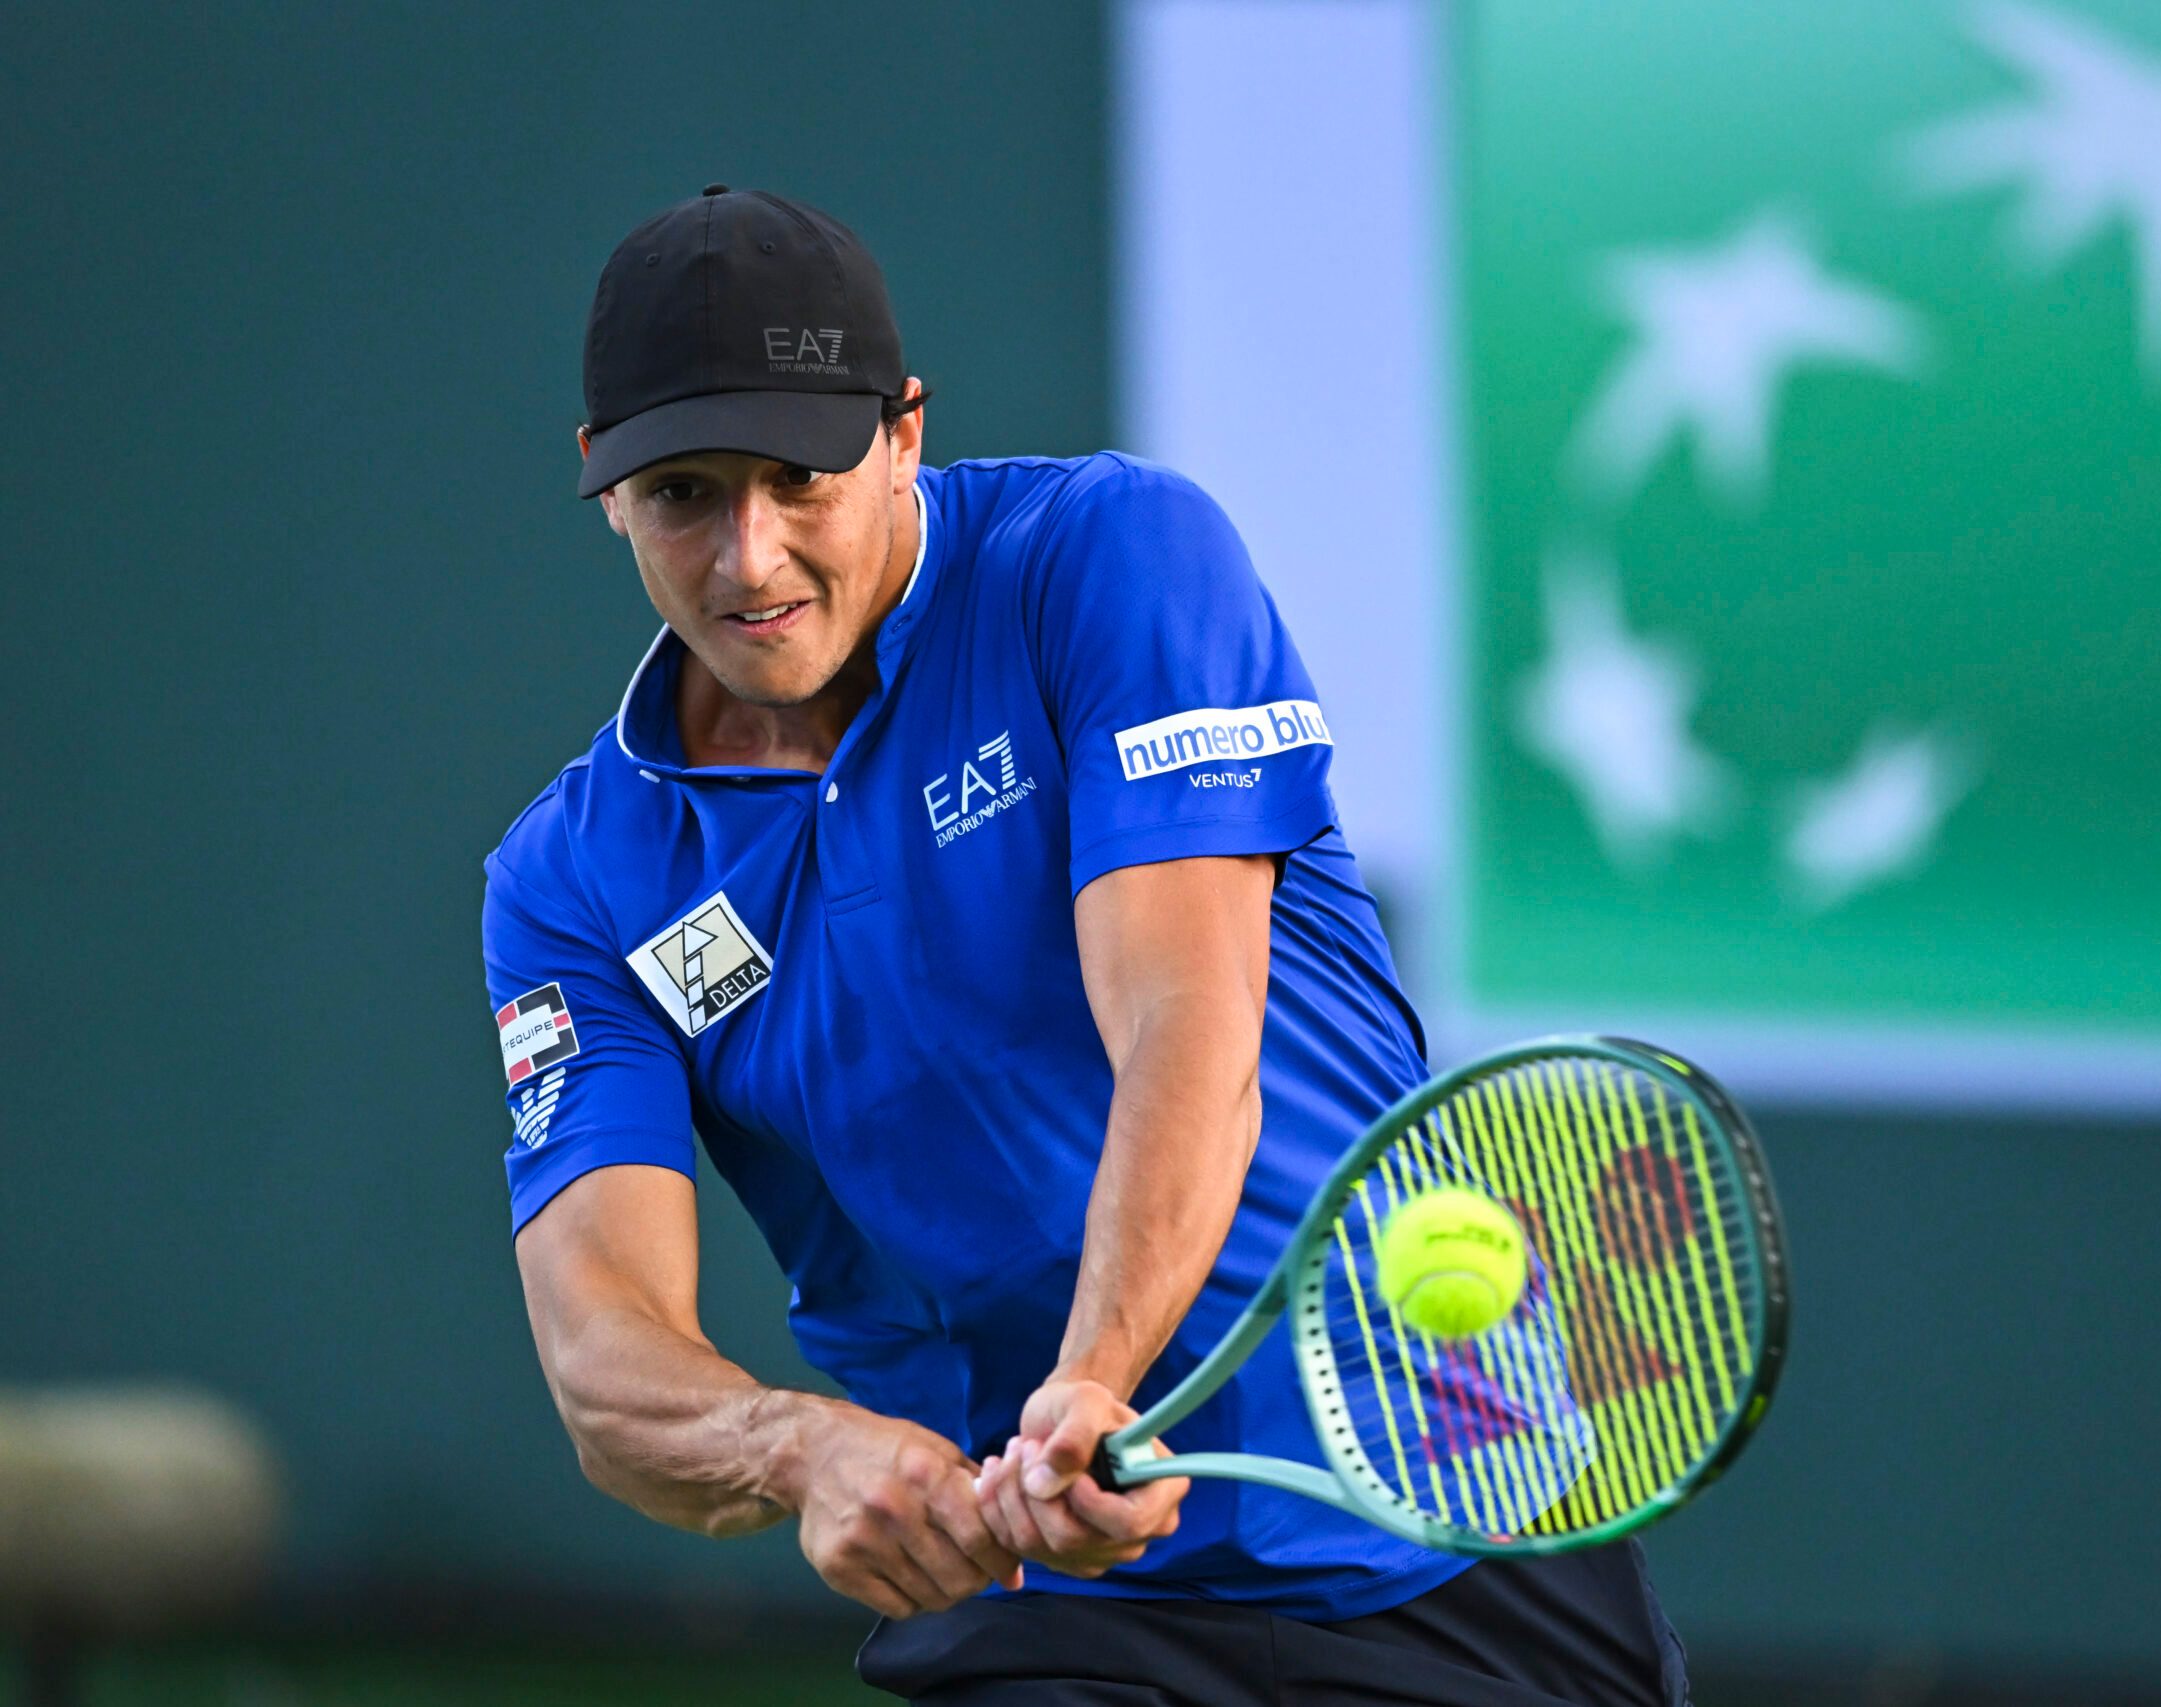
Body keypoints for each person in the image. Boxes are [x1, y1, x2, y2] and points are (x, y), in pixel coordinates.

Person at [483, 185, 1690, 1705]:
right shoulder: (572, 881)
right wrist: (799, 1447)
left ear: (903, 433)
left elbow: (1187, 1032)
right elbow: (606, 1351)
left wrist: (1097, 1380)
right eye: (684, 497)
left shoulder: (1109, 556)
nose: (750, 557)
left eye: (801, 478)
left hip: (1446, 1520)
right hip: (1068, 1612)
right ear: (602, 490)